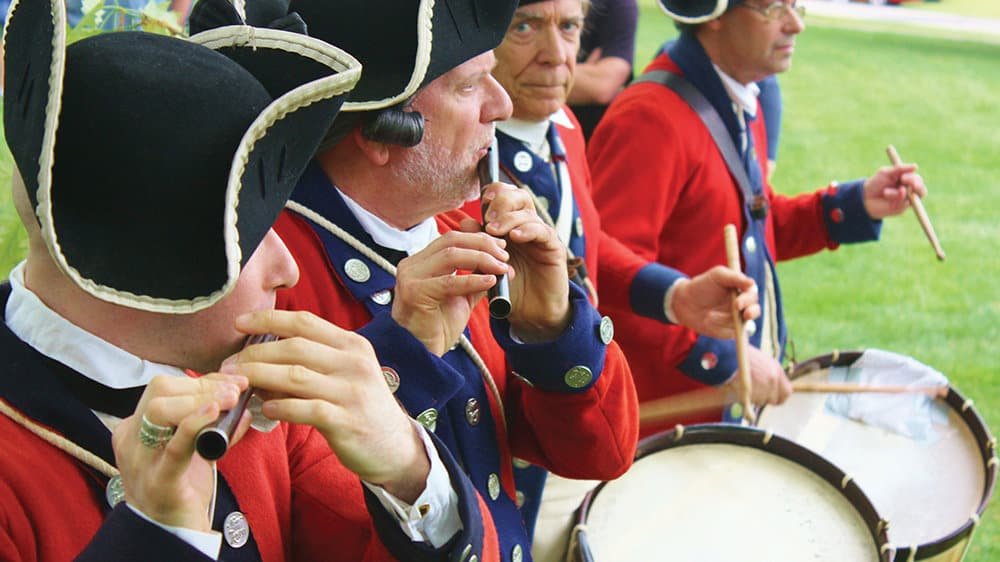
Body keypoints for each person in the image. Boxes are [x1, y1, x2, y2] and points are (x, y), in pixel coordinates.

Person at [0, 1, 500, 559]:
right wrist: (158, 538)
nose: (287, 269)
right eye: (253, 233)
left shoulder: (254, 390)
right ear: (145, 258)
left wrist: (409, 471)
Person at [259, 1, 640, 560]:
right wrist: (400, 355)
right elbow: (319, 530)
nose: (502, 104)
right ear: (382, 131)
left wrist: (554, 330)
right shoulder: (274, 276)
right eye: (469, 86)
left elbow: (601, 453)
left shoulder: (462, 236)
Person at [483, 1, 761, 557]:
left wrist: (673, 294)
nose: (557, 54)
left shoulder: (563, 128)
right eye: (525, 27)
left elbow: (583, 245)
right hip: (501, 460)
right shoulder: (460, 150)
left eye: (568, 28)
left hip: (573, 429)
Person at [587, 0, 927, 437]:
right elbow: (604, 274)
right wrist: (725, 360)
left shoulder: (738, 95)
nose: (796, 24)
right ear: (712, 13)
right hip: (665, 426)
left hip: (717, 410)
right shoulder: (650, 116)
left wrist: (855, 204)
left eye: (796, 4)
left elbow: (745, 227)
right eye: (772, 8)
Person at [565, 0, 638, 140]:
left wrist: (525, 78)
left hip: (593, 141)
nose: (556, 57)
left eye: (567, 27)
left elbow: (603, 85)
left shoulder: (618, 4)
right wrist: (585, 75)